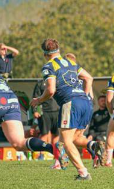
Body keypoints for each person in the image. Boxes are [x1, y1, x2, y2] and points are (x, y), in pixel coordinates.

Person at [30, 39, 102, 180]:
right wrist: (86, 95)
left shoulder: (48, 66)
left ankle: (83, 173)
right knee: (73, 138)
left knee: (66, 142)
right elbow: (89, 78)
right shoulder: (71, 63)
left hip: (71, 103)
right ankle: (92, 145)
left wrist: (38, 100)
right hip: (85, 102)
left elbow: (50, 90)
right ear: (59, 50)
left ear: (45, 53)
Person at [1, 75, 59, 163]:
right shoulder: (54, 82)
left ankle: (43, 155)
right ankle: (53, 149)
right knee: (19, 143)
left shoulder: (42, 82)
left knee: (45, 134)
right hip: (10, 97)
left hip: (47, 112)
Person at [32, 79, 60, 148]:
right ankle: (41, 155)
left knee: (56, 135)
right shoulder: (40, 83)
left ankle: (57, 155)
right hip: (44, 112)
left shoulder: (58, 81)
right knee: (44, 134)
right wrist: (35, 110)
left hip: (57, 111)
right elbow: (35, 97)